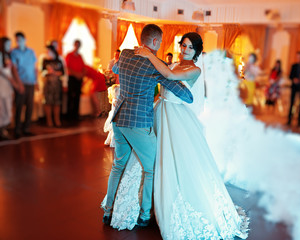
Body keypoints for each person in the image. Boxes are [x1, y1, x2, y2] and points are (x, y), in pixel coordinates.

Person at [102, 32, 249, 239]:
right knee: (145, 163)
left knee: (169, 162)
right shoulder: (170, 64)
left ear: (196, 51)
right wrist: (145, 57)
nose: (185, 50)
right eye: (183, 46)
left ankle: (157, 207)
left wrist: (147, 54)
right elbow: (162, 72)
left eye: (190, 47)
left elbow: (169, 78)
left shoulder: (194, 69)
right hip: (157, 111)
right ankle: (143, 208)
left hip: (177, 118)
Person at [101, 24, 193, 228]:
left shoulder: (124, 54)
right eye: (160, 41)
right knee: (151, 168)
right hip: (139, 123)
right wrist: (190, 95)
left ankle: (107, 212)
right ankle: (144, 215)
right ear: (154, 42)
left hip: (119, 119)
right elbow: (184, 95)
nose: (160, 45)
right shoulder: (156, 65)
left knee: (117, 166)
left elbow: (115, 68)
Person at [11, 32, 37, 138]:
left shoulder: (31, 52)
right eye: (17, 40)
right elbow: (14, 69)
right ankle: (17, 129)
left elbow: (34, 67)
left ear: (25, 40)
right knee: (19, 106)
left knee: (30, 106)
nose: (19, 42)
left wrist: (36, 81)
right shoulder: (14, 52)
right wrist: (18, 83)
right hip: (21, 82)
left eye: (20, 40)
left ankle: (26, 128)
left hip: (30, 82)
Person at [0, 37, 24, 139]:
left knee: (8, 108)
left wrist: (17, 82)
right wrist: (13, 82)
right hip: (2, 84)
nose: (9, 46)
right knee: (2, 107)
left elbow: (12, 69)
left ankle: (4, 129)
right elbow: (2, 70)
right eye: (7, 44)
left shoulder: (9, 55)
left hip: (7, 85)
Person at [41, 45, 64, 127]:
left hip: (57, 85)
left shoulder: (59, 61)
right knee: (48, 102)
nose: (47, 53)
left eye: (48, 51)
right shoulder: (45, 61)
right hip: (48, 85)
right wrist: (47, 72)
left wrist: (54, 72)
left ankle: (57, 120)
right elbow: (42, 72)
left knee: (57, 102)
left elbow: (62, 72)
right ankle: (49, 121)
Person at [65, 39, 86, 121]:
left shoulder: (80, 56)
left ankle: (76, 115)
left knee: (77, 97)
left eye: (78, 45)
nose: (77, 46)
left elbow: (83, 67)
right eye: (76, 45)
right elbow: (68, 68)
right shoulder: (69, 55)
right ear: (74, 45)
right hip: (72, 78)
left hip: (79, 79)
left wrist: (82, 74)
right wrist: (77, 74)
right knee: (70, 96)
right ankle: (69, 116)